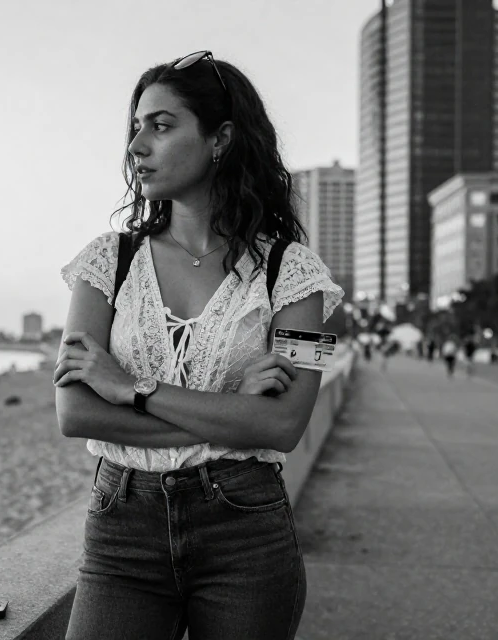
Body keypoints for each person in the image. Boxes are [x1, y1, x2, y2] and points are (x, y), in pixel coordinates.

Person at [53, 50, 344, 639]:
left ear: (221, 139)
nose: (137, 146)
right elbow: (77, 411)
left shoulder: (295, 276)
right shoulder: (105, 263)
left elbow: (286, 425)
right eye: (136, 127)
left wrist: (130, 388)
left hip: (247, 535)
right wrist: (236, 413)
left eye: (161, 126)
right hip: (121, 529)